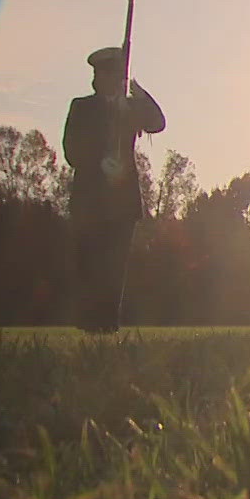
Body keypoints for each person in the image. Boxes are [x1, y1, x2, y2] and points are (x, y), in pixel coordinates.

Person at [64, 45, 165, 332]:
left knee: (114, 267)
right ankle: (88, 325)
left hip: (122, 201)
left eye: (116, 74)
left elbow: (158, 123)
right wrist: (100, 156)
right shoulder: (81, 107)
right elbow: (72, 151)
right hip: (90, 200)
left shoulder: (130, 108)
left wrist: (140, 97)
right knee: (89, 264)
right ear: (97, 78)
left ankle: (107, 327)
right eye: (104, 74)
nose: (109, 79)